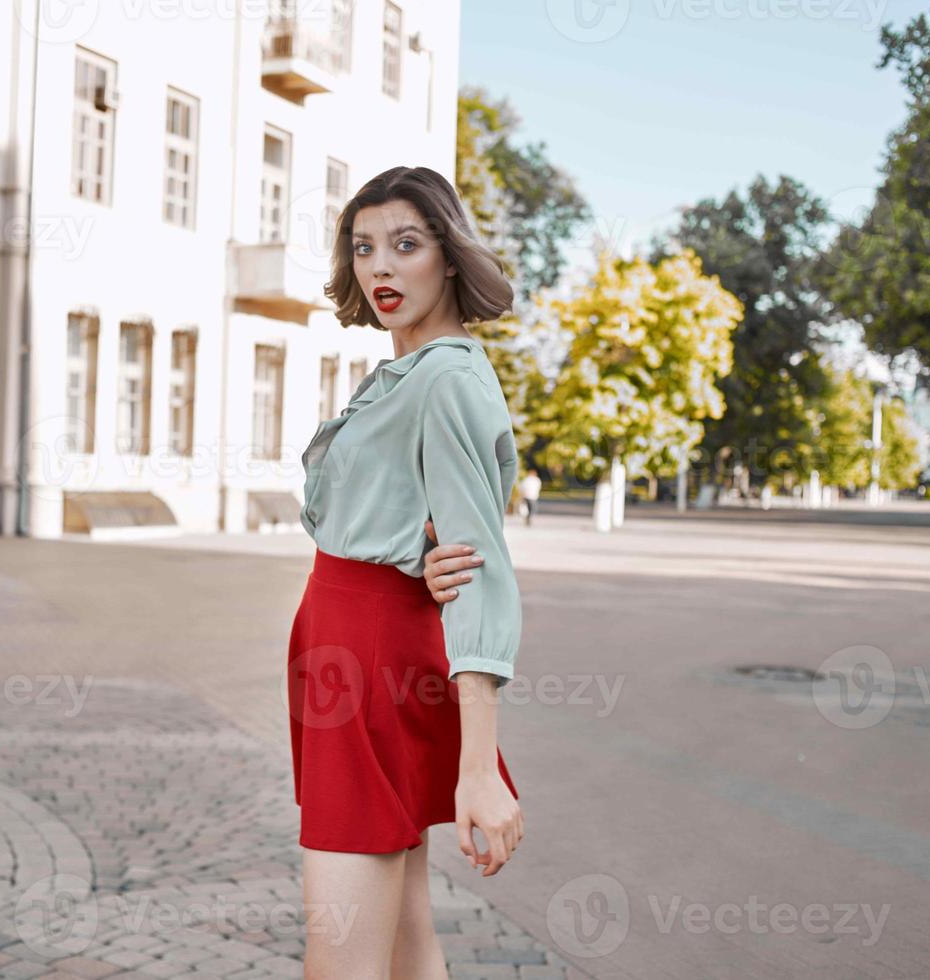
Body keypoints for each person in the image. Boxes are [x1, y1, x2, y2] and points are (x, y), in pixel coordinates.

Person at [291, 166, 525, 978]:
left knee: (342, 955)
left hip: (371, 674)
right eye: (363, 248)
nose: (380, 268)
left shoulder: (446, 381)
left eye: (405, 244)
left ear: (449, 256)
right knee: (402, 938)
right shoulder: (409, 374)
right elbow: (420, 536)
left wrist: (479, 773)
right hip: (352, 659)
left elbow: (480, 574)